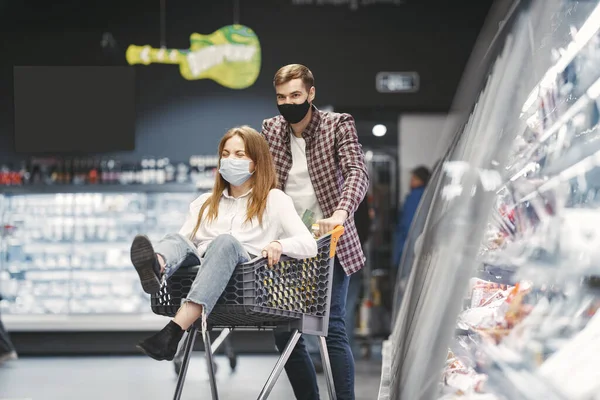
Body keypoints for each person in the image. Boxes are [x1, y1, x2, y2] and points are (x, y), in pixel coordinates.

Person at [130, 126, 318, 361]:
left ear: (257, 163)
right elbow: (184, 246)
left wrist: (280, 244)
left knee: (225, 243)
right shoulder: (204, 203)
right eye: (226, 154)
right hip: (202, 275)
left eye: (239, 155)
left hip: (245, 289)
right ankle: (156, 266)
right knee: (178, 239)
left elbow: (309, 244)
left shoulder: (274, 200)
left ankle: (175, 330)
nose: (230, 160)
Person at [262, 64, 369, 400]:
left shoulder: (337, 125)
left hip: (329, 239)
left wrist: (340, 212)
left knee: (330, 327)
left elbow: (356, 171)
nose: (288, 102)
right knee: (284, 331)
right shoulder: (270, 129)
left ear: (311, 93)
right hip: (289, 242)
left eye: (295, 95)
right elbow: (265, 182)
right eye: (281, 97)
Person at [392, 165, 431, 270]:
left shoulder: (415, 196)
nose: (410, 182)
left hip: (408, 247)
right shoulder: (428, 196)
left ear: (420, 180)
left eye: (413, 179)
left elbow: (409, 225)